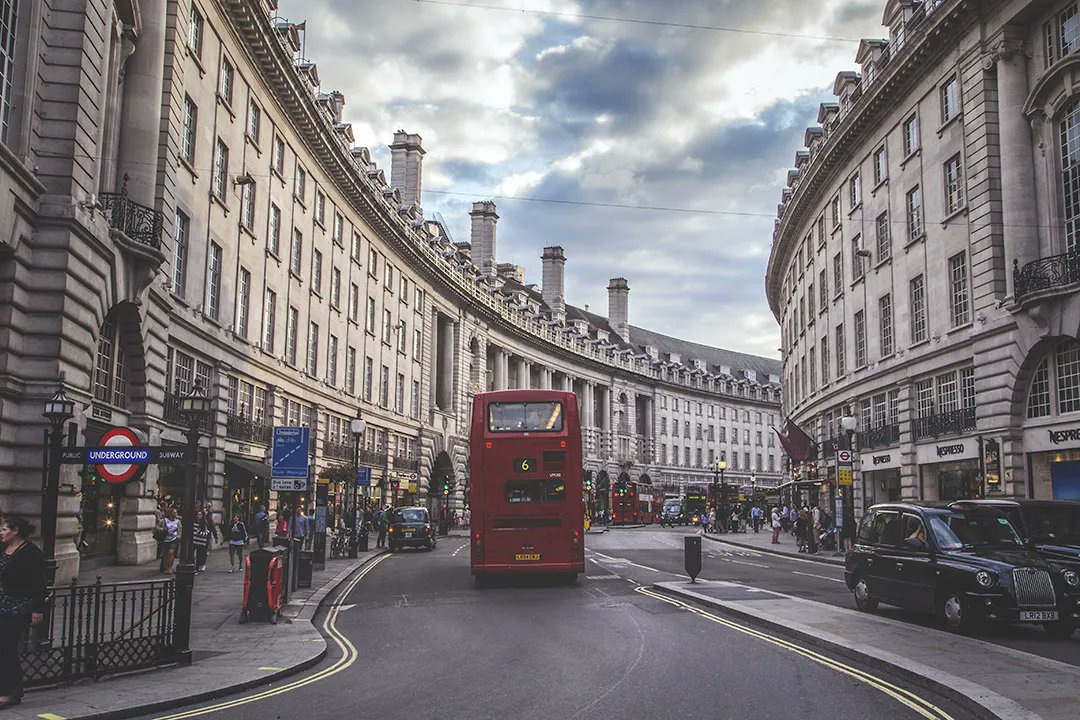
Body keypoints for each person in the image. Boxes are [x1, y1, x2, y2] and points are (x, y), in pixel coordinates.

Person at [0, 516, 47, 709]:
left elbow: (39, 583)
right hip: (2, 604)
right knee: (5, 649)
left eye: (4, 529)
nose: (1, 532)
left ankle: (8, 693)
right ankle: (10, 689)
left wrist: (37, 608)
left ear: (15, 531)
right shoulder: (4, 549)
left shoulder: (31, 553)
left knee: (5, 647)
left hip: (17, 607)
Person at [161, 508, 180, 573]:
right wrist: (163, 529)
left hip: (174, 539)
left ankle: (169, 567)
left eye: (176, 512)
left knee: (171, 552)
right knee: (165, 554)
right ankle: (166, 566)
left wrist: (178, 536)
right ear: (170, 513)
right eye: (174, 512)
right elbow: (157, 527)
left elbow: (180, 530)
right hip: (166, 539)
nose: (175, 513)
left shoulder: (177, 521)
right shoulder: (165, 520)